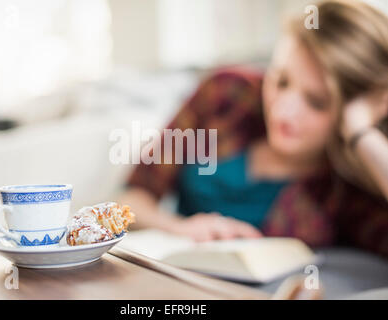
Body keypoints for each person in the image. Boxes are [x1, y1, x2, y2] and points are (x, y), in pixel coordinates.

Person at [118, 0, 388, 257]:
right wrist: (178, 229)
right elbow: (131, 199)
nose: (283, 111)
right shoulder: (226, 95)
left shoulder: (353, 188)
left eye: (317, 102)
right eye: (281, 81)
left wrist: (361, 133)